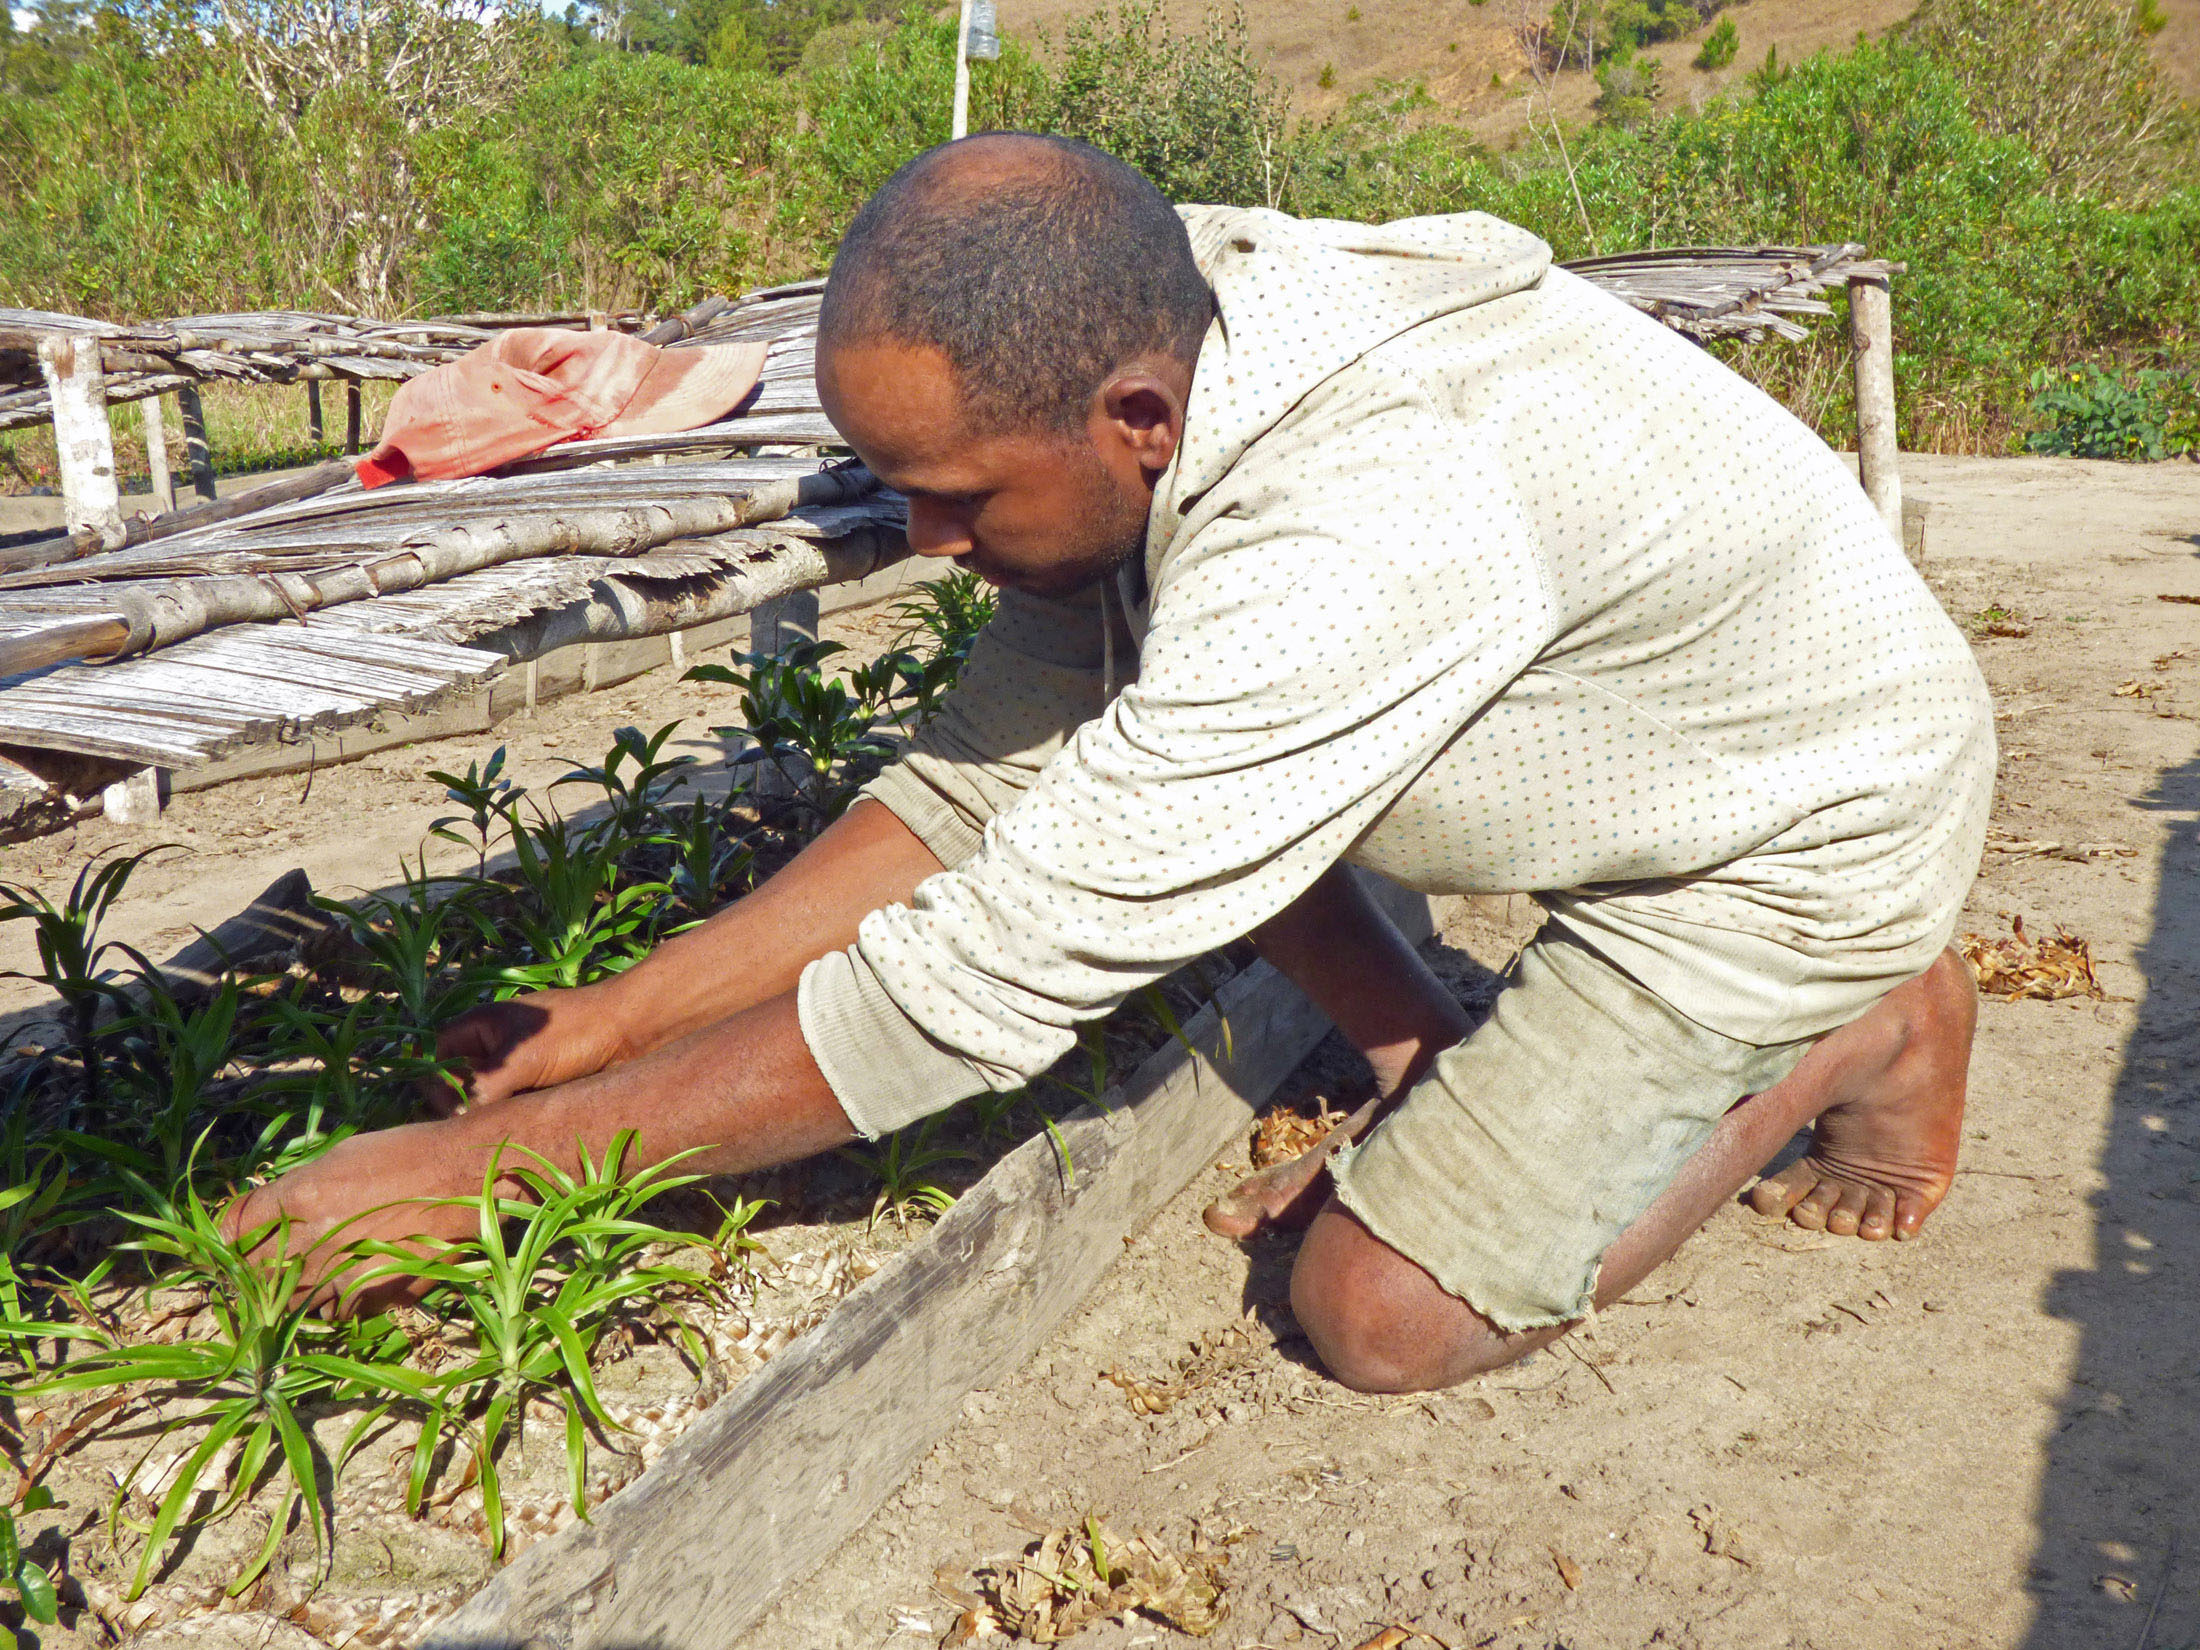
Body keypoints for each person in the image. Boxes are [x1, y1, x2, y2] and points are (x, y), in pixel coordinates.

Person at [231, 133, 1993, 1394]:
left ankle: (1869, 1015)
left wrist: (484, 1176)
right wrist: (617, 1015)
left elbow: (994, 971)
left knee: (1377, 1310)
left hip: (1784, 842)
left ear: (1135, 420)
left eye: (958, 496)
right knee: (1180, 780)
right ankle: (1445, 1065)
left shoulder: (1352, 525)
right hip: (1622, 748)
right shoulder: (1164, 338)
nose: (921, 539)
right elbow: (974, 788)